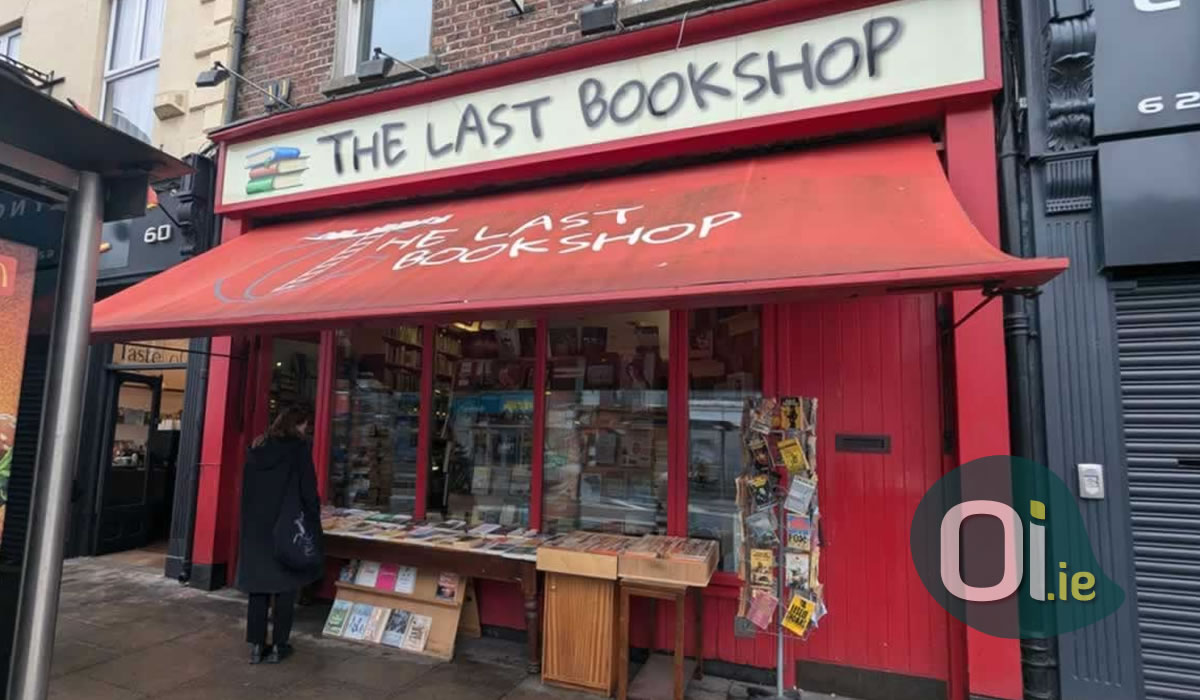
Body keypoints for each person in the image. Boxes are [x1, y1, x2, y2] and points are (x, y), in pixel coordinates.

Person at [235, 405, 322, 664]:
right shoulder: (298, 450)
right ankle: (279, 646)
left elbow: (246, 490)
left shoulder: (257, 448)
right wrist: (313, 518)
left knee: (258, 589)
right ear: (297, 425)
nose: (307, 429)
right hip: (286, 526)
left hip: (255, 529)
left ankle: (256, 645)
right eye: (305, 425)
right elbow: (308, 490)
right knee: (285, 587)